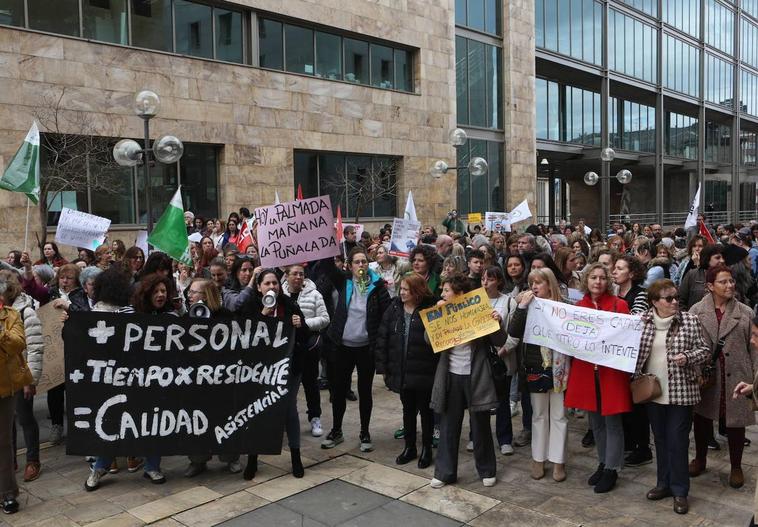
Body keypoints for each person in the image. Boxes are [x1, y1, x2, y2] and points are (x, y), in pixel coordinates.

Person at [85, 272, 174, 491]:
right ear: (146, 293)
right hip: (125, 380)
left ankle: (152, 466)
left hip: (155, 382)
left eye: (164, 291)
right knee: (113, 422)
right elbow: (99, 334)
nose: (161, 295)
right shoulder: (126, 313)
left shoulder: (171, 317)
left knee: (154, 423)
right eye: (156, 291)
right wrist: (70, 318)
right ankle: (100, 467)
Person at [634, 279, 709, 515]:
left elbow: (705, 350)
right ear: (655, 302)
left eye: (676, 297)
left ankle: (680, 491)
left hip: (681, 392)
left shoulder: (689, 320)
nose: (675, 302)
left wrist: (687, 357)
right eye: (669, 298)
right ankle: (663, 483)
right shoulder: (642, 321)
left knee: (677, 442)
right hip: (652, 391)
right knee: (660, 440)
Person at [429, 274, 506, 489]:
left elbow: (500, 340)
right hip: (450, 376)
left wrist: (497, 322)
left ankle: (487, 469)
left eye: (446, 291)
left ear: (460, 294)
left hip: (477, 376)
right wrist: (437, 318)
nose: (442, 294)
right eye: (442, 291)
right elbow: (429, 341)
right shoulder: (442, 312)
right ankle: (444, 472)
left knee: (480, 424)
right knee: (448, 425)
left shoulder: (479, 310)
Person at [564, 263, 632, 493]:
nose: (598, 282)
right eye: (593, 277)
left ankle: (612, 468)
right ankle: (602, 462)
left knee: (612, 422)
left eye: (602, 277)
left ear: (608, 281)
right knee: (596, 423)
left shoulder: (619, 305)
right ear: (586, 280)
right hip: (586, 371)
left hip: (610, 373)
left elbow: (626, 337)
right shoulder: (579, 307)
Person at [688, 266, 757, 489]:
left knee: (735, 423)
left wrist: (755, 380)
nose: (730, 286)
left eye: (731, 281)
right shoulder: (696, 311)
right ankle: (700, 458)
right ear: (710, 286)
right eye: (723, 282)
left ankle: (736, 466)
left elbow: (755, 348)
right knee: (701, 419)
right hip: (706, 376)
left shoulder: (746, 312)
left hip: (737, 375)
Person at [239, 269, 310, 480]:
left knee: (289, 411)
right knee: (258, 411)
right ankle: (253, 459)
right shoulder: (251, 306)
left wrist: (300, 324)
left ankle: (296, 457)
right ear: (259, 287)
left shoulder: (289, 305)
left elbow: (305, 336)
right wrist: (263, 315)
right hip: (260, 372)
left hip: (288, 369)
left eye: (275, 284)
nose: (272, 287)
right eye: (267, 284)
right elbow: (243, 338)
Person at [319, 248, 391, 452]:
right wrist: (325, 241)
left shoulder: (378, 287)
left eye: (364, 262)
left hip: (366, 348)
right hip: (342, 347)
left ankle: (365, 432)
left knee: (365, 391)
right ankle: (336, 430)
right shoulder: (343, 281)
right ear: (349, 266)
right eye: (357, 262)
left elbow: (387, 315)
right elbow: (325, 265)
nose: (361, 265)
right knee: (338, 390)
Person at [509, 268, 571, 482]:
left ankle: (558, 460)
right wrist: (521, 306)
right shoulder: (528, 305)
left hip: (560, 368)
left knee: (559, 415)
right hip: (536, 367)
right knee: (539, 414)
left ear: (549, 284)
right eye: (531, 283)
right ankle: (538, 457)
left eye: (539, 282)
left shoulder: (565, 305)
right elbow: (514, 331)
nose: (534, 287)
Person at [375, 274, 437, 468]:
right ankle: (410, 447)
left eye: (405, 289)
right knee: (407, 411)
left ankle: (427, 449)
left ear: (417, 291)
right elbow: (383, 337)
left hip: (424, 370)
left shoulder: (431, 309)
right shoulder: (394, 308)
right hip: (401, 370)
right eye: (400, 288)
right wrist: (383, 367)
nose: (401, 292)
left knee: (426, 412)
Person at [183, 279, 242, 477]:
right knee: (196, 419)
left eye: (193, 292)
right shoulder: (187, 317)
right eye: (189, 292)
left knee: (225, 417)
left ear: (206, 295)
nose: (189, 296)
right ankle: (197, 460)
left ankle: (230, 458)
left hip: (221, 378)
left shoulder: (225, 316)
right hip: (196, 380)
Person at [0, 272, 43, 483]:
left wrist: (30, 380)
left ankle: (32, 460)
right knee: (8, 423)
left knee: (25, 418)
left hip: (20, 374)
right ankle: (11, 461)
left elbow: (35, 348)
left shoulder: (26, 311)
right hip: (4, 376)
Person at [281, 264, 330, 438]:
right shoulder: (279, 295)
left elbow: (325, 319)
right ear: (286, 276)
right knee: (286, 385)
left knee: (310, 383)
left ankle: (315, 417)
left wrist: (304, 323)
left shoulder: (315, 294)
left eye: (301, 274)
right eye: (294, 274)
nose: (298, 277)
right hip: (286, 347)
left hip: (308, 346)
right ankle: (286, 418)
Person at [0, 277, 32, 514]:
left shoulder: (11, 315)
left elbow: (18, 344)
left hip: (4, 387)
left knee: (3, 443)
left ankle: (7, 492)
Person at [480, 266, 519, 457]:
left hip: (501, 358)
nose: (485, 283)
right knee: (480, 400)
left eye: (490, 279)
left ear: (499, 281)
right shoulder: (474, 301)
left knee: (502, 399)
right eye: (483, 278)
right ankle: (476, 435)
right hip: (480, 358)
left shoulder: (508, 302)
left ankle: (504, 439)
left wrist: (503, 351)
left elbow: (513, 332)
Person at [678, 244, 725, 310]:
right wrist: (687, 318)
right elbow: (681, 300)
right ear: (707, 258)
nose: (722, 261)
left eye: (723, 258)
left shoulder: (729, 276)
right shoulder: (692, 275)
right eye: (717, 258)